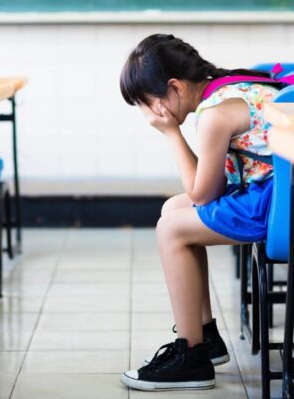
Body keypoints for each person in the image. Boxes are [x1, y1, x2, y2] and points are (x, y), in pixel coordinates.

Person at [119, 33, 279, 391]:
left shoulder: (214, 115)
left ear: (173, 87)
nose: (147, 114)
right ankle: (205, 336)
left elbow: (203, 194)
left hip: (278, 203)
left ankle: (191, 356)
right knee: (173, 208)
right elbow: (210, 187)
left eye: (147, 103)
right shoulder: (231, 86)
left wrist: (171, 134)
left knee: (172, 229)